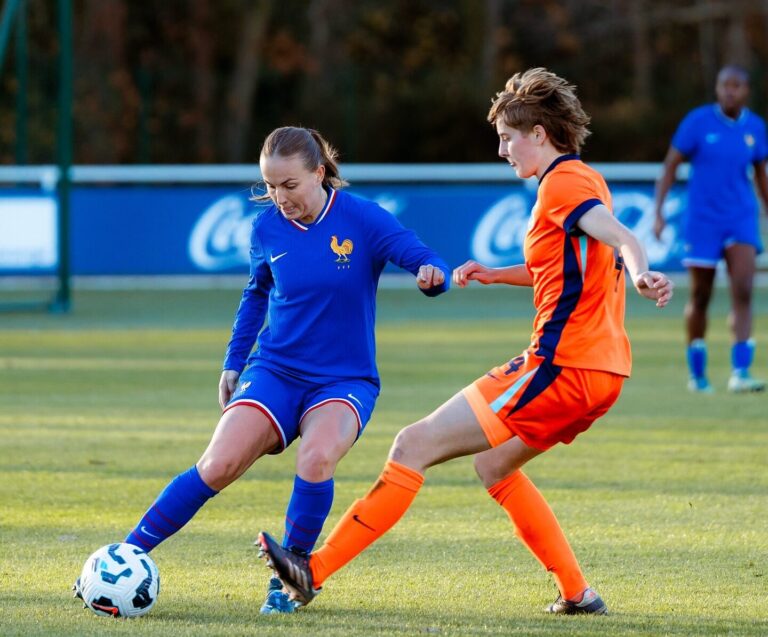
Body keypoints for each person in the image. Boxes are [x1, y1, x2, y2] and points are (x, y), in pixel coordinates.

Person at [258, 68, 674, 616]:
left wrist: (642, 271)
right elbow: (564, 266)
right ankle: (577, 593)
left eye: (507, 137)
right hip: (603, 372)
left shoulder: (562, 184)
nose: (502, 149)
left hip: (560, 365)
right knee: (494, 466)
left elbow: (620, 238)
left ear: (539, 135)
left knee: (411, 445)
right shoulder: (585, 178)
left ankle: (313, 571)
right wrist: (496, 274)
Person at [73, 126, 450, 614]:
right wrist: (233, 362)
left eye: (289, 185)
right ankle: (123, 560)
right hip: (275, 370)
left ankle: (291, 578)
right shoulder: (267, 227)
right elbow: (255, 295)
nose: (279, 197)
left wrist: (432, 276)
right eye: (270, 186)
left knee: (316, 459)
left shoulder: (363, 218)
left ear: (319, 173)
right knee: (218, 464)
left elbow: (425, 259)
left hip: (344, 380)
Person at [654, 64, 768, 394]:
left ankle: (741, 372)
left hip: (740, 218)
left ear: (746, 91)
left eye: (736, 86)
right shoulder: (697, 122)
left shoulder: (756, 128)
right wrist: (658, 212)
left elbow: (761, 176)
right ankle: (698, 375)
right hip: (703, 221)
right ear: (717, 89)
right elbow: (670, 165)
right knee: (700, 296)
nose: (729, 91)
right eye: (724, 85)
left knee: (744, 290)